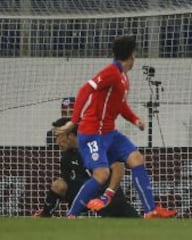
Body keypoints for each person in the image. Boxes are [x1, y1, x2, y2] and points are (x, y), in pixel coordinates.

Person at [56, 36, 177, 219]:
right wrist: (74, 121)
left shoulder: (123, 77)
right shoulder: (111, 72)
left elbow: (119, 105)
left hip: (108, 133)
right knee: (102, 174)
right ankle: (71, 215)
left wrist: (135, 119)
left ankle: (150, 211)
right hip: (92, 132)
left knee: (136, 158)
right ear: (133, 55)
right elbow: (84, 90)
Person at [35, 117, 139, 218]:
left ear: (70, 135)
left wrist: (108, 193)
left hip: (108, 198)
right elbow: (66, 185)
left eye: (58, 136)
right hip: (85, 198)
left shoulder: (94, 146)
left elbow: (118, 167)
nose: (57, 141)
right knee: (59, 184)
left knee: (134, 224)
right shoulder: (67, 157)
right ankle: (44, 216)